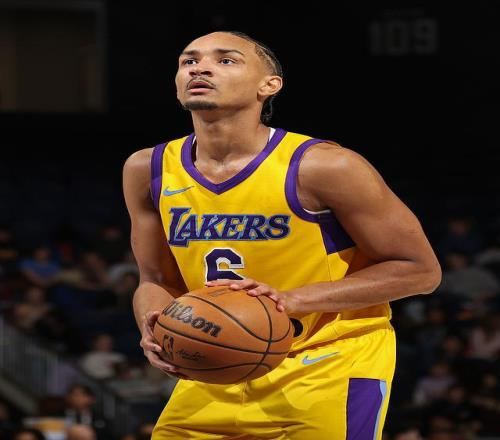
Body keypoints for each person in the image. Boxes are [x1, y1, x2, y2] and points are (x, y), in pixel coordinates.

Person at [123, 31, 442, 439]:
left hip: (326, 363)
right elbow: (154, 279)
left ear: (269, 85)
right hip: (218, 362)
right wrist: (154, 326)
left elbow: (420, 270)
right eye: (189, 61)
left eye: (225, 60)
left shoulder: (325, 166)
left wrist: (290, 301)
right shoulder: (147, 169)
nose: (200, 68)